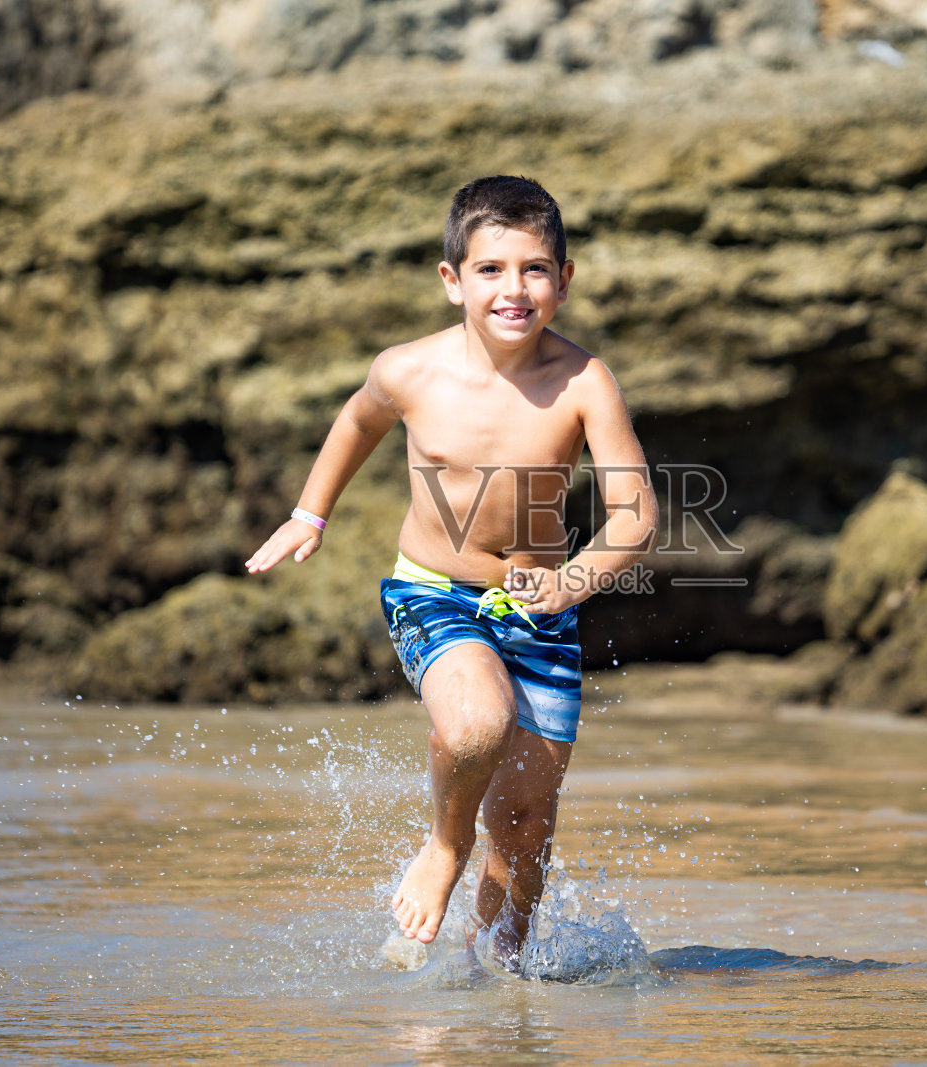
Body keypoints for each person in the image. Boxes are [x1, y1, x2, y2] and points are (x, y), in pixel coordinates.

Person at [244, 175, 658, 963]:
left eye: (535, 269)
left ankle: (488, 979)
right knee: (476, 723)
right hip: (434, 592)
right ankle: (443, 844)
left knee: (526, 831)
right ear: (452, 280)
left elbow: (635, 516)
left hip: (541, 611)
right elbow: (357, 419)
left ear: (565, 280)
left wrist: (571, 582)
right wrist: (310, 513)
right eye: (491, 269)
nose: (514, 288)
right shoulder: (410, 371)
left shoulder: (584, 382)